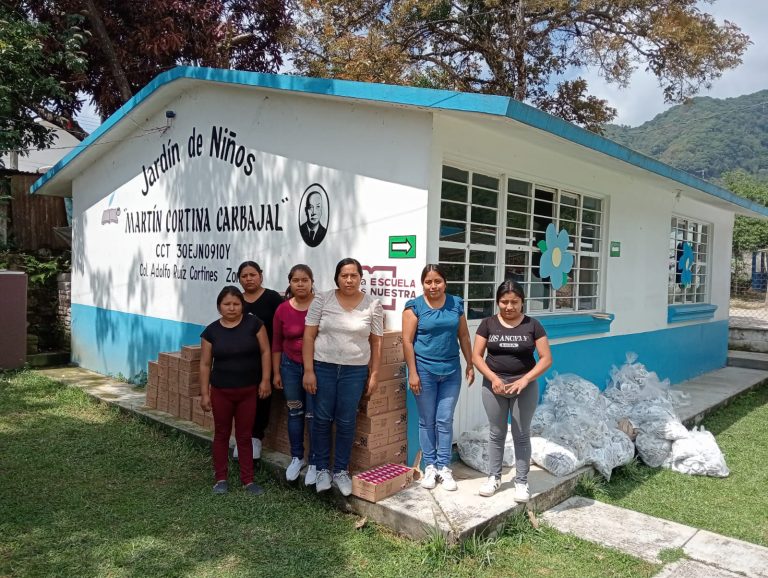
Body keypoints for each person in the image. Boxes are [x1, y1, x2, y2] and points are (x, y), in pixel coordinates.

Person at [302, 257, 383, 496]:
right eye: (344, 275)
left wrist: (375, 374)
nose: (349, 280)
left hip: (354, 371)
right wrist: (308, 370)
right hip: (323, 367)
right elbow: (308, 337)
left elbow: (376, 342)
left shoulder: (372, 304)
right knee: (322, 419)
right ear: (336, 277)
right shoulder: (322, 299)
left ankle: (340, 471)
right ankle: (322, 469)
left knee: (347, 421)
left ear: (360, 278)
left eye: (354, 275)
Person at [472, 279, 552, 500]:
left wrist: (525, 380)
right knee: (496, 433)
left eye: (514, 302)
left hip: (523, 386)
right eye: (504, 302)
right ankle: (494, 477)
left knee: (521, 434)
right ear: (498, 302)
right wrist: (492, 378)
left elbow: (546, 359)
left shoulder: (533, 325)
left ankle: (522, 481)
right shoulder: (487, 324)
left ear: (522, 302)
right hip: (493, 385)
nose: (509, 307)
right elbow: (476, 356)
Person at [402, 264, 474, 491]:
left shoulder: (456, 304)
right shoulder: (414, 307)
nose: (433, 286)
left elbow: (463, 334)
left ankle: (444, 467)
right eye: (428, 282)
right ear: (423, 283)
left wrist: (470, 363)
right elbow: (407, 341)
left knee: (444, 419)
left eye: (437, 281)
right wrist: (412, 372)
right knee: (427, 420)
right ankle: (430, 466)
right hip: (424, 371)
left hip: (451, 370)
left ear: (445, 282)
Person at [199, 286, 272, 495]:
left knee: (245, 435)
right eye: (227, 304)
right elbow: (205, 364)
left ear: (242, 305)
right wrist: (205, 393)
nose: (232, 308)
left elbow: (266, 352)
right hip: (221, 391)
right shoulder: (211, 332)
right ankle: (220, 479)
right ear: (219, 307)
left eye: (236, 304)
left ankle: (248, 480)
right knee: (221, 434)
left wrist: (265, 380)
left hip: (248, 391)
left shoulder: (255, 325)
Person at [235, 261, 284, 460]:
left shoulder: (272, 298)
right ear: (239, 279)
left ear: (261, 276)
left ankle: (256, 438)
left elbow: (281, 328)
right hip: (241, 360)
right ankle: (242, 438)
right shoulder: (236, 300)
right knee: (242, 400)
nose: (249, 279)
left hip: (267, 357)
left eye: (252, 274)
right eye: (244, 276)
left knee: (262, 398)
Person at [272, 264, 316, 484]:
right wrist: (276, 372)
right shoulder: (282, 309)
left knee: (314, 415)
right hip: (289, 367)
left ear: (312, 282)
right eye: (296, 280)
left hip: (316, 368)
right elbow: (276, 343)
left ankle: (315, 462)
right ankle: (297, 457)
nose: (300, 284)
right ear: (290, 282)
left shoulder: (320, 305)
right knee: (295, 412)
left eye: (305, 280)